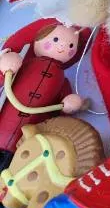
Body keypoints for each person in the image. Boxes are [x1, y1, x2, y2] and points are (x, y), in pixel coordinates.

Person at [0, 20, 89, 172]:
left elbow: (62, 110)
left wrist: (69, 104)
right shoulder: (25, 63)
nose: (62, 46)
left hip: (26, 142)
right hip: (4, 123)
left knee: (12, 171)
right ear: (39, 38)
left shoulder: (62, 80)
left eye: (71, 46)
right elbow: (4, 80)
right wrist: (5, 67)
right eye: (56, 39)